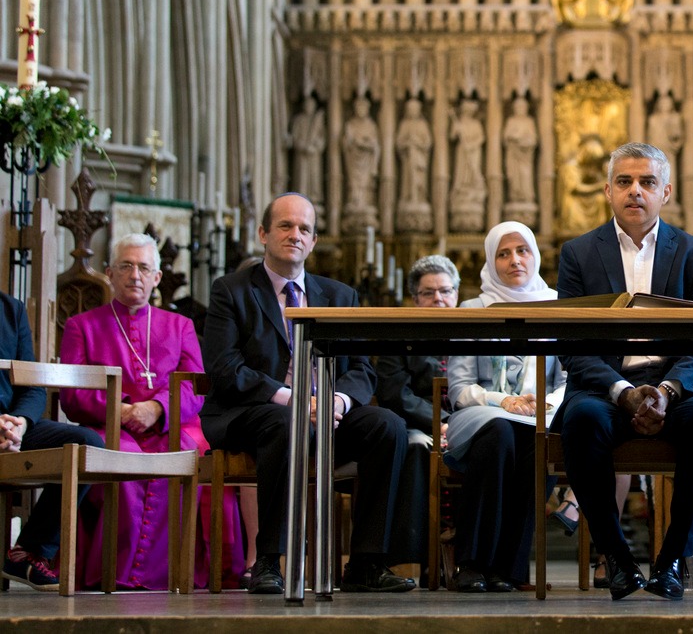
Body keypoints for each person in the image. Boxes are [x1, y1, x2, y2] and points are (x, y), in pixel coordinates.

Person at [199, 192, 414, 595]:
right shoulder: (231, 290)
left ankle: (367, 562)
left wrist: (336, 401)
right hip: (255, 412)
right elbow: (226, 370)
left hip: (324, 411)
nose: (294, 235)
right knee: (286, 424)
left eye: (304, 229)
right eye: (285, 226)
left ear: (313, 241)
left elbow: (361, 370)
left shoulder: (340, 295)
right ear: (263, 233)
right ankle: (268, 560)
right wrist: (295, 400)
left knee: (387, 426)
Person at [555, 142, 693, 600]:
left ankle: (671, 559)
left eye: (647, 182)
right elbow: (571, 344)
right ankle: (618, 559)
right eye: (625, 182)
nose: (636, 191)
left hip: (680, 386)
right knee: (582, 420)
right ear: (608, 190)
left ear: (665, 192)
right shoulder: (578, 254)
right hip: (605, 386)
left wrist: (667, 391)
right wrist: (622, 391)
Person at [60, 233, 243, 591]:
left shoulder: (180, 326)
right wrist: (121, 410)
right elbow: (72, 392)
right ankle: (117, 572)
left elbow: (195, 386)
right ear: (109, 273)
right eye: (126, 266)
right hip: (109, 425)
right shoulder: (81, 326)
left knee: (192, 452)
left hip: (170, 424)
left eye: (144, 267)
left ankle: (189, 572)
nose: (135, 275)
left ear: (157, 277)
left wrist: (157, 408)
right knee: (122, 458)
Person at [446, 221, 563, 591]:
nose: (515, 260)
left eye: (522, 250)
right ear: (490, 261)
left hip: (538, 416)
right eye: (504, 253)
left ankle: (508, 570)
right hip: (483, 416)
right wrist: (504, 401)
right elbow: (459, 388)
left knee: (536, 443)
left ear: (536, 255)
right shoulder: (473, 309)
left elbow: (567, 379)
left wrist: (546, 404)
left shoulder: (559, 307)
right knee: (499, 432)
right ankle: (472, 562)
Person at [0, 293, 106, 591]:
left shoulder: (11, 309)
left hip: (12, 425)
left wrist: (19, 423)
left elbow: (33, 388)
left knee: (85, 442)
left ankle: (27, 552)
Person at [374, 254, 457, 571]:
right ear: (415, 298)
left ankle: (475, 558)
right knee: (414, 449)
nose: (439, 298)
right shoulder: (399, 332)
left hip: (463, 422)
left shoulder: (472, 331)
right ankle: (409, 561)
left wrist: (457, 423)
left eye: (446, 291)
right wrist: (440, 423)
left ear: (456, 295)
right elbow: (394, 392)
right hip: (416, 425)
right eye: (428, 293)